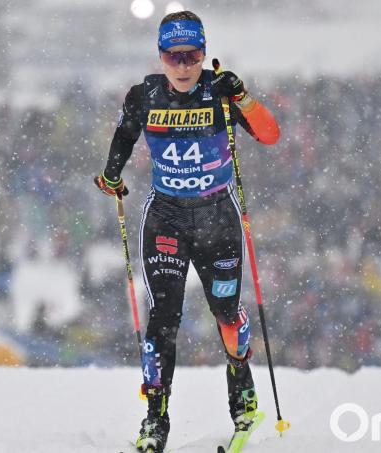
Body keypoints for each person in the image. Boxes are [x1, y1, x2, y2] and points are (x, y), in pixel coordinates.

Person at [93, 10, 280, 453]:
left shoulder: (220, 92)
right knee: (163, 320)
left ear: (203, 53)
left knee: (227, 314)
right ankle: (155, 419)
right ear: (160, 55)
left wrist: (246, 98)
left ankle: (244, 399)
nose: (183, 66)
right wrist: (111, 177)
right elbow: (124, 136)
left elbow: (270, 135)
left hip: (217, 217)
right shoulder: (145, 94)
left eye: (192, 55)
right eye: (174, 56)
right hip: (167, 218)